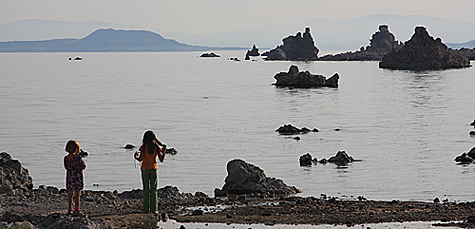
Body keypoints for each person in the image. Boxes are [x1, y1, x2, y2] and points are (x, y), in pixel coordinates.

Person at [134, 130, 166, 213]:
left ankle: (146, 209)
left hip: (145, 169)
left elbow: (140, 159)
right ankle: (154, 209)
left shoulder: (144, 147)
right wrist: (164, 151)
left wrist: (136, 157)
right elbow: (161, 160)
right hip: (154, 168)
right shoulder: (156, 147)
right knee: (154, 189)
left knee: (146, 189)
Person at [64, 140, 86, 216]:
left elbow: (66, 167)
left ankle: (70, 208)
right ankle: (77, 209)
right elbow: (83, 166)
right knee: (77, 194)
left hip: (70, 177)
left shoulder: (66, 158)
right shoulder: (77, 157)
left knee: (70, 194)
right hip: (77, 177)